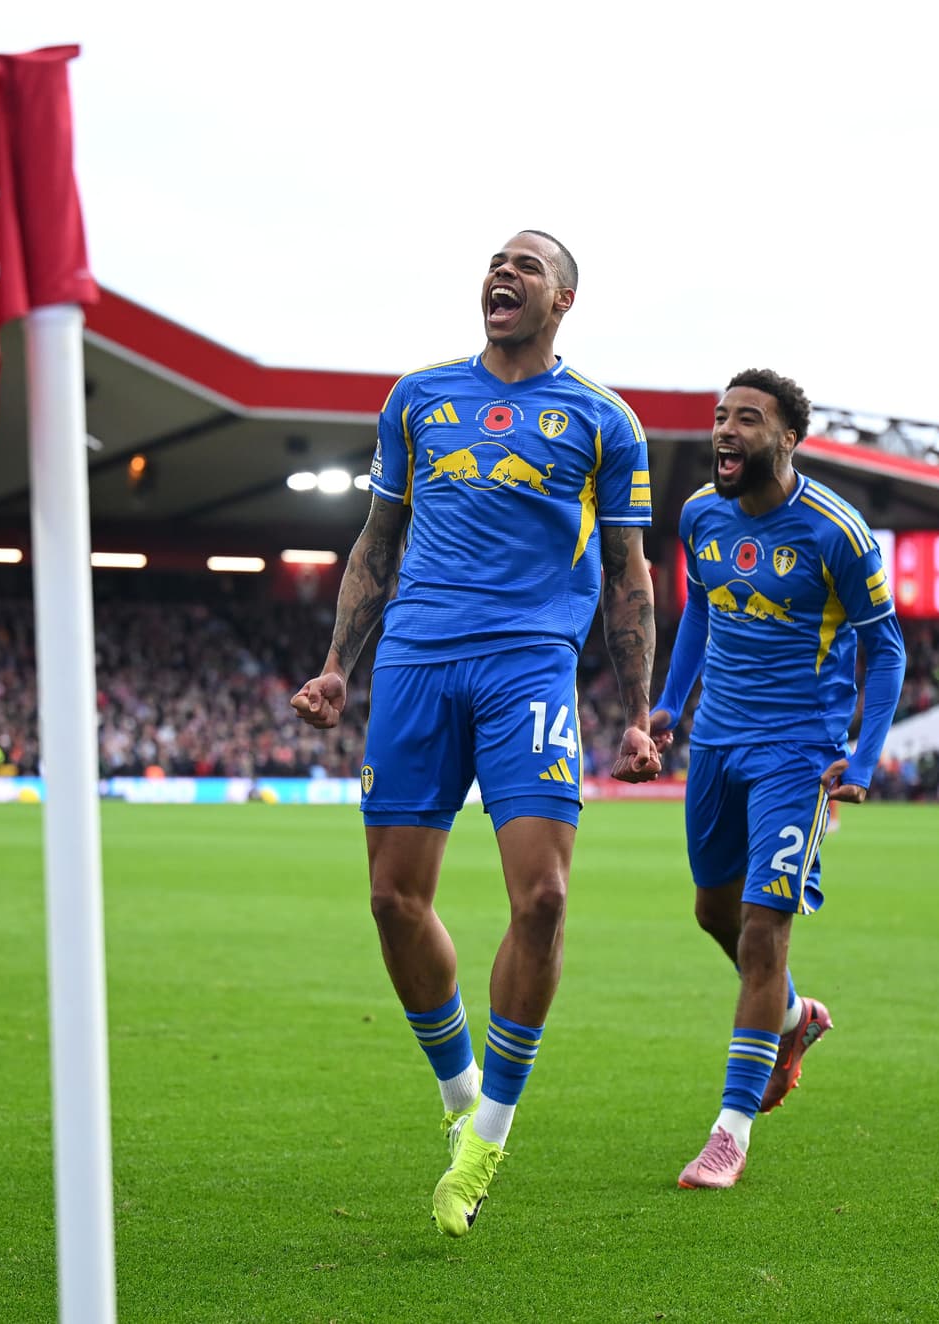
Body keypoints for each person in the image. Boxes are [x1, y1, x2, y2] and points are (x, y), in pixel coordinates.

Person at [291, 231, 662, 1236]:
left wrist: (638, 712)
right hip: (414, 660)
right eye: (497, 262)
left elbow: (629, 574)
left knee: (542, 897)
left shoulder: (604, 419)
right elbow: (377, 538)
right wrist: (339, 664)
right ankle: (460, 1101)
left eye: (528, 266)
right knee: (391, 900)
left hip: (528, 667)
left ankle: (489, 1136)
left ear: (565, 299)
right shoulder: (417, 398)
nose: (505, 275)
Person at [648, 368, 905, 1190]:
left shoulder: (838, 531)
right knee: (710, 912)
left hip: (797, 753)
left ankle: (730, 1131)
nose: (726, 431)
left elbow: (887, 647)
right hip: (716, 745)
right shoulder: (697, 515)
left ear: (789, 438)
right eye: (720, 417)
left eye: (748, 420)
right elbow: (699, 611)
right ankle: (795, 1018)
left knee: (763, 933)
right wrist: (667, 706)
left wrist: (861, 759)